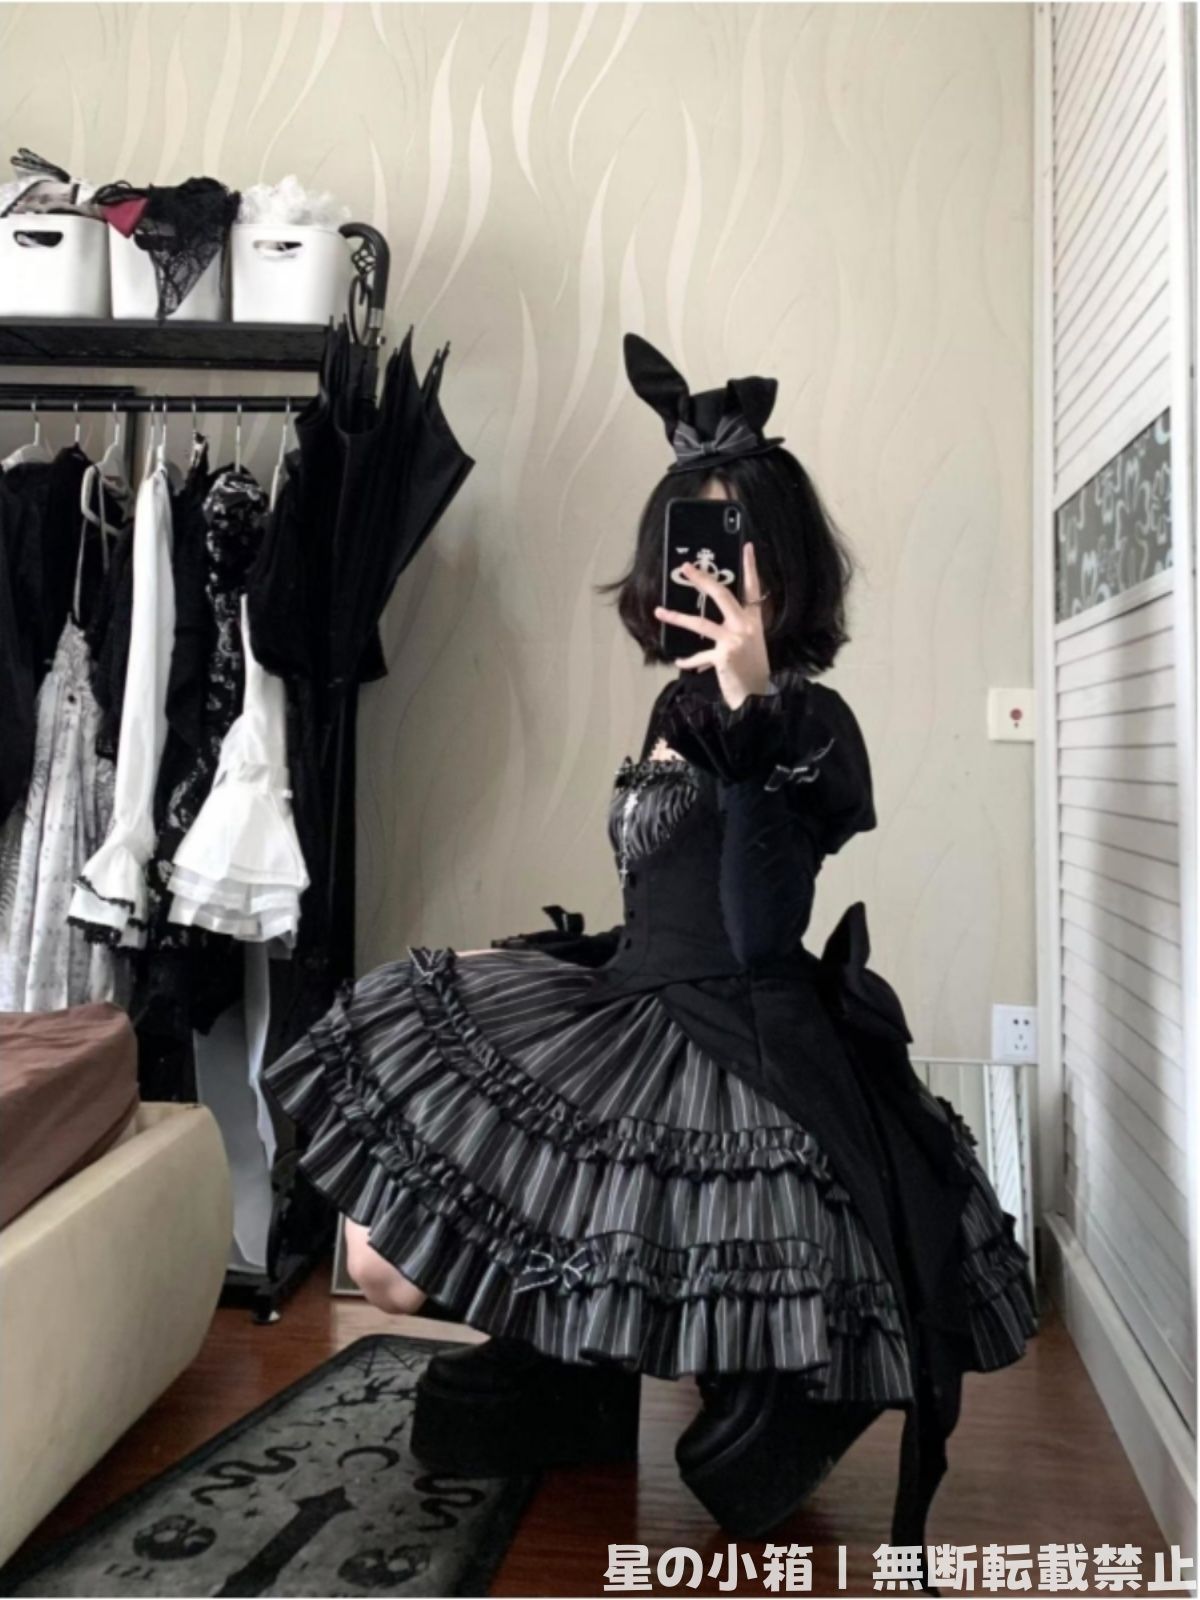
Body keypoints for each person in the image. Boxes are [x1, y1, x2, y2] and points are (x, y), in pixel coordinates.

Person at [260, 332, 1038, 1590]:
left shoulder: (812, 722)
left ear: (781, 566)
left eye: (737, 543)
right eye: (691, 537)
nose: (710, 568)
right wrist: (542, 959)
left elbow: (756, 927)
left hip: (744, 1038)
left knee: (707, 1420)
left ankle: (776, 1392)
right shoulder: (674, 706)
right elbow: (656, 889)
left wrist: (753, 706)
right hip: (635, 1000)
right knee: (378, 1255)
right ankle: (570, 1374)